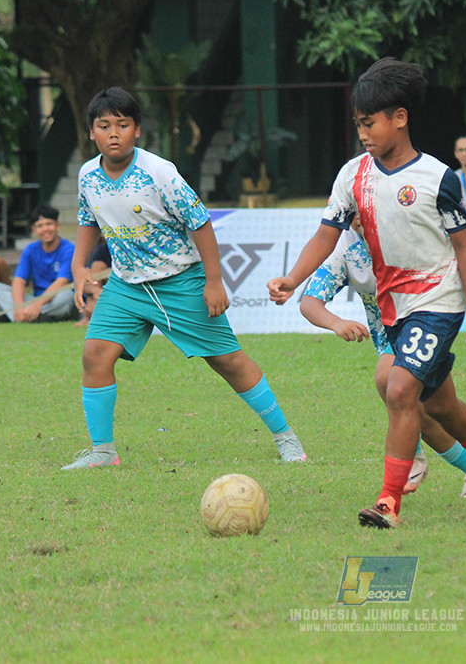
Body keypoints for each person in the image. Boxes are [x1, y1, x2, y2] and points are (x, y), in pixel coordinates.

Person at [268, 57, 466, 529]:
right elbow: (327, 234)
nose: (363, 133)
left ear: (400, 118)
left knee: (399, 388)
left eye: (370, 123)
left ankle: (388, 502)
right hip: (396, 308)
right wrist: (292, 277)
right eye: (358, 125)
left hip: (439, 300)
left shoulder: (436, 178)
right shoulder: (353, 176)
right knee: (440, 404)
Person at [62, 86, 305, 470]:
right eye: (104, 125)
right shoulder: (88, 175)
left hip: (180, 281)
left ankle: (286, 437)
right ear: (91, 132)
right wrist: (79, 269)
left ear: (137, 130)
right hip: (126, 285)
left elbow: (201, 223)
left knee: (227, 361)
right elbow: (88, 221)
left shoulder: (159, 173)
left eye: (122, 125)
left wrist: (214, 281)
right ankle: (103, 452)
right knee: (94, 355)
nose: (113, 133)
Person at [300, 214, 466, 498]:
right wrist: (336, 323)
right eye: (352, 210)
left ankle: (409, 461)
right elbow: (309, 302)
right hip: (389, 337)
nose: (359, 216)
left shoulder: (406, 222)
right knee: (436, 408)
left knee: (388, 380)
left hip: (429, 318)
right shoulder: (345, 248)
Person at [0, 206, 76, 322]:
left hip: (55, 299)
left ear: (57, 226)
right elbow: (19, 280)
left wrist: (38, 304)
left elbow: (62, 281)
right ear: (34, 230)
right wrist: (18, 307)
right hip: (35, 300)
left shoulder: (69, 249)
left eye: (49, 224)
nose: (45, 229)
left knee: (67, 295)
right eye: (40, 226)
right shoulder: (30, 250)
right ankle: (31, 316)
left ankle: (19, 316)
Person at [73, 238, 111, 327]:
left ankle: (93, 317)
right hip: (104, 293)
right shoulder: (103, 249)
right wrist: (96, 291)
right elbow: (88, 282)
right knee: (97, 270)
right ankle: (91, 316)